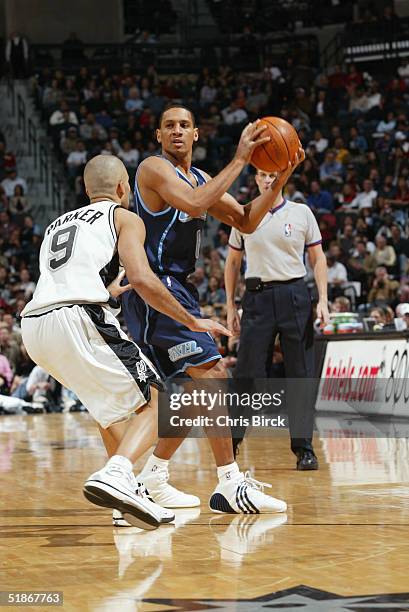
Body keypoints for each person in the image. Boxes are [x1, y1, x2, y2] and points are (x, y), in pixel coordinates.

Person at [20, 155, 230, 531]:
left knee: (108, 410)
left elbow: (69, 276)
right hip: (77, 316)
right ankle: (117, 473)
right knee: (160, 401)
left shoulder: (56, 225)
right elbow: (144, 280)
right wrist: (192, 319)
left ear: (87, 191)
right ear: (122, 189)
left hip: (35, 326)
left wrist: (109, 295)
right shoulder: (124, 217)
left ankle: (125, 500)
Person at [120, 105, 302, 518]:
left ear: (196, 134)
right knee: (213, 373)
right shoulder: (153, 169)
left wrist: (282, 176)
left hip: (181, 289)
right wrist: (241, 158)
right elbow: (194, 201)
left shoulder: (202, 178)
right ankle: (229, 483)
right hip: (155, 286)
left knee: (191, 393)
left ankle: (153, 477)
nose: (178, 131)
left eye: (185, 125)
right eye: (169, 126)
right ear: (159, 136)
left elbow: (246, 220)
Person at [225, 169, 329, 470]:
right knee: (247, 373)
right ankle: (231, 442)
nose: (267, 179)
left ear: (282, 178)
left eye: (273, 174)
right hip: (256, 297)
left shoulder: (302, 212)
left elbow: (318, 257)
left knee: (300, 373)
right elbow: (233, 262)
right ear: (255, 179)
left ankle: (304, 448)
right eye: (261, 174)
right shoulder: (244, 213)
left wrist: (322, 299)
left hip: (295, 295)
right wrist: (230, 306)